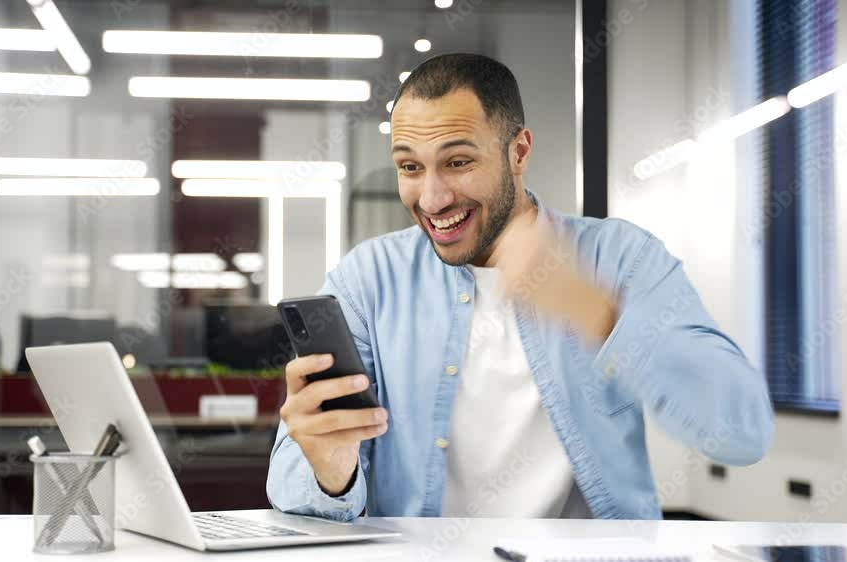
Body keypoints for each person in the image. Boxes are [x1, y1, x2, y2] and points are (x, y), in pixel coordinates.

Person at [266, 53, 773, 521]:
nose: (432, 199)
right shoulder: (368, 279)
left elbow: (742, 432)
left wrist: (600, 315)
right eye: (410, 167)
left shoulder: (621, 258)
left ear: (519, 152)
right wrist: (331, 471)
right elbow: (291, 488)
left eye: (458, 162)